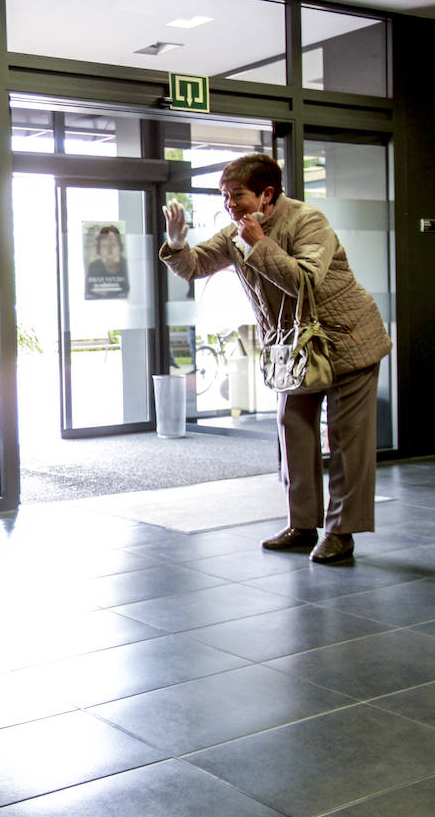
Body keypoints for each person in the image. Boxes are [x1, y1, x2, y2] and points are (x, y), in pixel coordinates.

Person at [160, 153, 391, 563]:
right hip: (295, 349)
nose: (231, 205)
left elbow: (303, 280)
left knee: (347, 440)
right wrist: (177, 243)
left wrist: (259, 243)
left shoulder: (307, 221)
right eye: (225, 196)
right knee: (294, 431)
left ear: (267, 194)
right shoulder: (235, 232)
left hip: (349, 341)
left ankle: (342, 531)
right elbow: (195, 266)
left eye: (238, 196)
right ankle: (303, 524)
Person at [85, 224, 129, 299]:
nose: (109, 251)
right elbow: (90, 294)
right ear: (99, 251)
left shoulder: (129, 267)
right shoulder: (93, 268)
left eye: (113, 245)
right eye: (104, 246)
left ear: (121, 248)